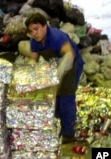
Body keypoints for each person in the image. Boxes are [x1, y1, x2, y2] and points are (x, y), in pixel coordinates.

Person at [24, 13, 84, 143]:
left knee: (65, 97)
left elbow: (69, 55)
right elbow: (33, 59)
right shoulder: (34, 41)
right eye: (31, 31)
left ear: (45, 26)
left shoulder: (57, 37)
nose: (34, 33)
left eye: (36, 28)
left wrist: (59, 73)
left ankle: (68, 134)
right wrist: (26, 74)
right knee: (53, 96)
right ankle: (55, 127)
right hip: (56, 65)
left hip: (71, 64)